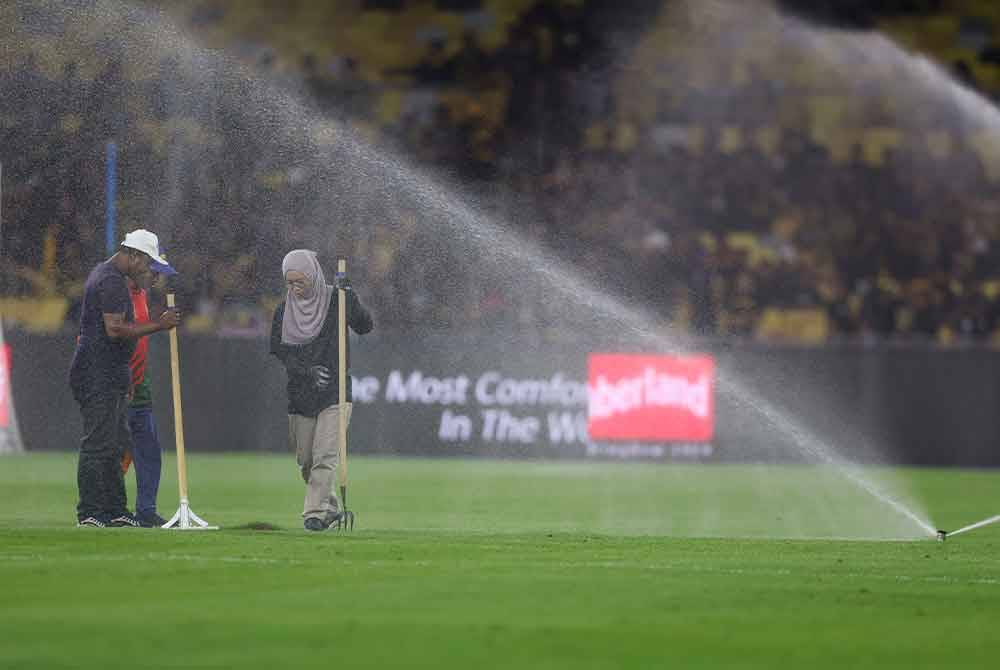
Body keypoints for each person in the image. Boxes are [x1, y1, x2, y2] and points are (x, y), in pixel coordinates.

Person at [70, 229, 180, 528]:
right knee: (98, 443)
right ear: (135, 256)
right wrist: (159, 325)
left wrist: (125, 371)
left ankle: (116, 511)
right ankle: (90, 512)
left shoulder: (109, 276)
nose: (148, 270)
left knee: (115, 443)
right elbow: (115, 330)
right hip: (96, 372)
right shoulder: (110, 281)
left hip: (110, 371)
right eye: (147, 264)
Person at [270, 250, 373, 532]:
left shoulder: (338, 301)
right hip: (301, 395)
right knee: (306, 460)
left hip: (336, 393)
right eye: (289, 283)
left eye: (299, 282)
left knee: (326, 455)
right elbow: (278, 350)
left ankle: (313, 515)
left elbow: (366, 326)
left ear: (313, 277)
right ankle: (328, 507)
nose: (294, 289)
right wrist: (306, 370)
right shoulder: (283, 310)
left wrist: (351, 296)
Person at [121, 267, 175, 528]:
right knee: (118, 451)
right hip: (120, 382)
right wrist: (159, 324)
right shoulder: (116, 292)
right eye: (154, 272)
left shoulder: (140, 293)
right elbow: (120, 332)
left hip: (140, 382)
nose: (158, 278)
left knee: (148, 451)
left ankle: (145, 510)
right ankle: (108, 506)